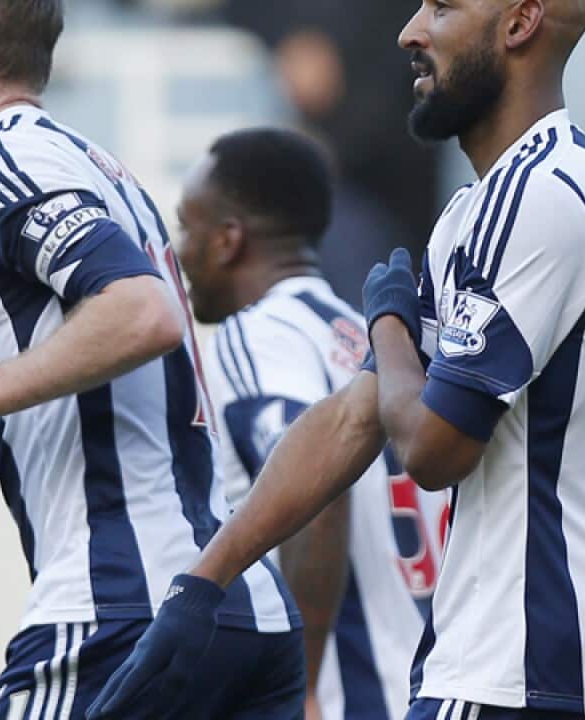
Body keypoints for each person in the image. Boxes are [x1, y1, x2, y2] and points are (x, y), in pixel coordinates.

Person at [89, 1, 585, 719]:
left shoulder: (538, 195)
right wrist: (202, 583)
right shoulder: (498, 203)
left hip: (529, 674)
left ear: (520, 22)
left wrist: (386, 316)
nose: (411, 31)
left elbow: (433, 446)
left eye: (442, 7)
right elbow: (357, 415)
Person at [0, 1, 304, 718]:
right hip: (237, 610)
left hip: (117, 610)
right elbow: (129, 404)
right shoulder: (93, 166)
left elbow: (141, 312)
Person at [176, 127, 449, 720]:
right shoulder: (360, 335)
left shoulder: (256, 337)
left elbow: (320, 497)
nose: (178, 251)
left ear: (227, 240)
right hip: (431, 688)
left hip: (354, 694)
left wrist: (301, 685)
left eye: (186, 227)